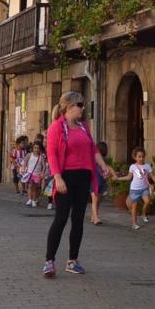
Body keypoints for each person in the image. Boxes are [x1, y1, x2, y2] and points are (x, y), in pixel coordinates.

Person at [43, 92, 112, 278]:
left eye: (82, 105)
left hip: (83, 176)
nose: (82, 108)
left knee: (79, 219)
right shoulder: (56, 127)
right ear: (69, 107)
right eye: (80, 105)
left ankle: (73, 260)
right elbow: (52, 154)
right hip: (66, 177)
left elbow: (93, 149)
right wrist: (57, 178)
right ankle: (49, 261)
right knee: (61, 218)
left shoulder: (83, 127)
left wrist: (103, 166)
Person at [112, 147, 155, 230]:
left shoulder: (147, 166)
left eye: (143, 156)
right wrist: (118, 178)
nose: (141, 158)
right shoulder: (133, 166)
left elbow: (152, 176)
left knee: (147, 201)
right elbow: (129, 177)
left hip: (144, 188)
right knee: (134, 206)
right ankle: (134, 223)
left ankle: (143, 214)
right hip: (134, 189)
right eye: (139, 156)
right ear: (135, 157)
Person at [90, 141, 111, 226]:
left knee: (97, 200)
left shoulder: (104, 160)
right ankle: (96, 217)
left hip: (101, 182)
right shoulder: (93, 159)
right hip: (94, 182)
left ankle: (93, 215)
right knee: (95, 200)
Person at [21, 141, 47, 207]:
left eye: (38, 148)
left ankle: (34, 199)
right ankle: (30, 199)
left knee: (35, 188)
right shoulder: (29, 155)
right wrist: (24, 168)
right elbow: (25, 162)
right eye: (35, 148)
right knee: (30, 186)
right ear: (32, 148)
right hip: (30, 173)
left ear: (40, 149)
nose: (36, 149)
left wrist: (42, 172)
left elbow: (44, 166)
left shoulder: (41, 157)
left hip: (37, 174)